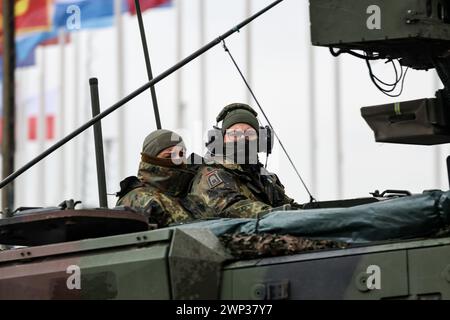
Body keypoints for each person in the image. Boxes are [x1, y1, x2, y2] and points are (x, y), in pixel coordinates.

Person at [189, 103, 300, 218]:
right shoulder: (211, 173)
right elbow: (232, 207)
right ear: (220, 140)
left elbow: (288, 206)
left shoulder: (264, 178)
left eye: (249, 133)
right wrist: (282, 214)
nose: (242, 138)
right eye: (234, 134)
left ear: (260, 141)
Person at [116, 129, 198, 227]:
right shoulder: (139, 198)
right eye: (169, 155)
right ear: (151, 158)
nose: (177, 160)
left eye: (181, 155)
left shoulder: (188, 194)